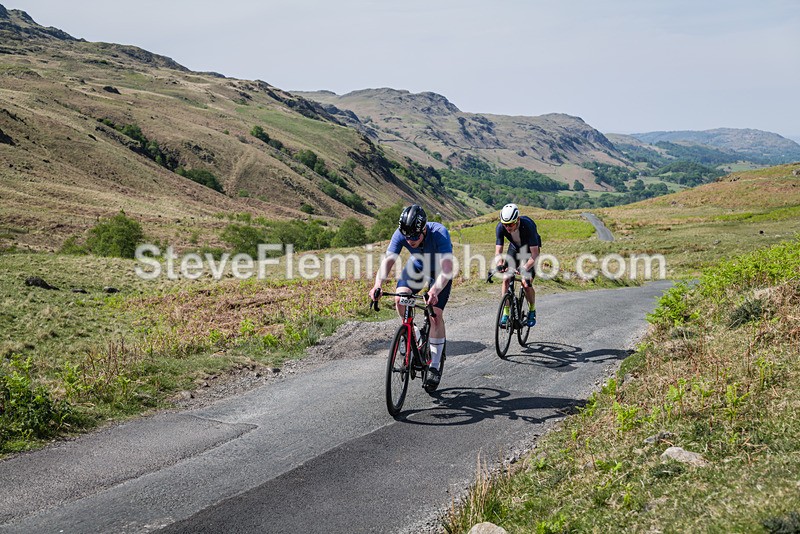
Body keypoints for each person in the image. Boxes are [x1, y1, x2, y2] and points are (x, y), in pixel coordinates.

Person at [370, 204, 454, 390]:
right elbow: (388, 261)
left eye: (415, 236)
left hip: (440, 271)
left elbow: (448, 270)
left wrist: (434, 291)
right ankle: (411, 333)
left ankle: (434, 365)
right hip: (418, 267)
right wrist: (378, 284)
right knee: (399, 298)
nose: (410, 240)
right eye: (407, 236)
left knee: (435, 315)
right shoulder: (402, 233)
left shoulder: (440, 233)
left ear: (423, 229)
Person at [495, 203, 541, 327]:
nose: (508, 228)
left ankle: (532, 310)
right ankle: (506, 312)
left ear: (518, 220)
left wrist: (525, 267)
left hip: (529, 251)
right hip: (514, 248)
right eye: (505, 225)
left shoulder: (528, 226)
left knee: (526, 283)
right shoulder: (500, 227)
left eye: (510, 224)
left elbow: (535, 254)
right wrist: (500, 264)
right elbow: (498, 250)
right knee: (505, 278)